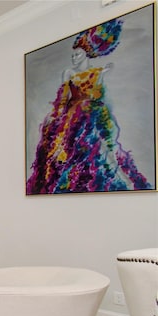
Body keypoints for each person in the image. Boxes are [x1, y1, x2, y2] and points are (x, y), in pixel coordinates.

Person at [26, 19, 151, 194]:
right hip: (73, 116)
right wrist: (57, 115)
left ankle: (123, 181)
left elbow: (99, 95)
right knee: (67, 152)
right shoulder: (69, 73)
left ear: (86, 54)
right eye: (73, 55)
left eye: (77, 55)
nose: (74, 58)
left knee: (106, 146)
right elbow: (62, 98)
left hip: (94, 113)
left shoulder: (98, 73)